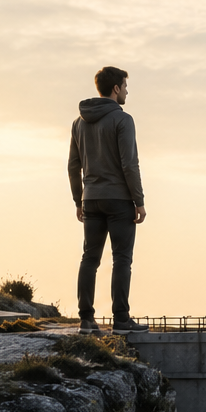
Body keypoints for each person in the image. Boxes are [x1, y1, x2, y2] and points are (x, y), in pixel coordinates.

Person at [68, 66, 148, 333]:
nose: (127, 90)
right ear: (115, 88)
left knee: (89, 258)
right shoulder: (123, 120)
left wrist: (78, 200)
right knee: (121, 259)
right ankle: (122, 320)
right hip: (119, 200)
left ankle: (86, 320)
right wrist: (139, 200)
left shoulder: (79, 122)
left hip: (91, 200)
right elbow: (129, 164)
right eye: (125, 86)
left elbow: (73, 165)